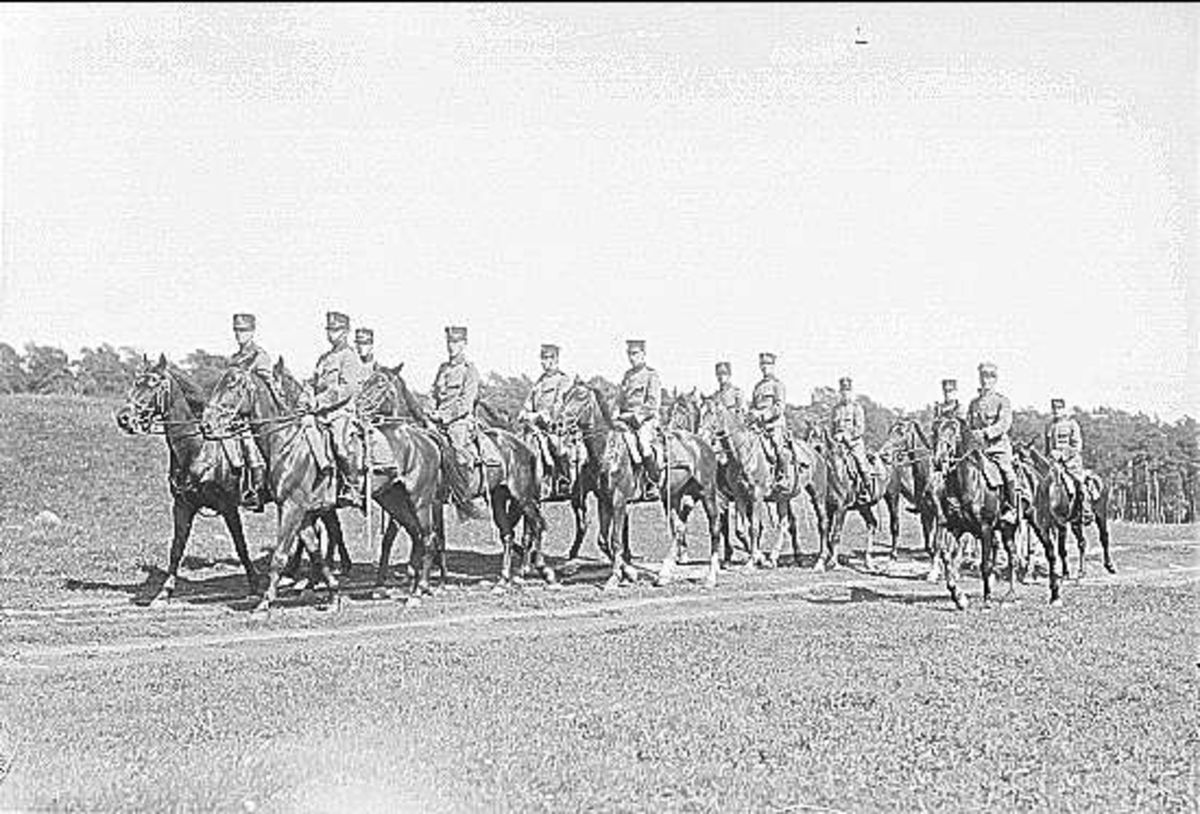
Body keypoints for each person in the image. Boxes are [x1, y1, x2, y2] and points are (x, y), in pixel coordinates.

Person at [309, 311, 366, 509]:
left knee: (339, 443)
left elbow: (347, 389)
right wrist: (305, 399)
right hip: (320, 412)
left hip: (341, 412)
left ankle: (352, 486)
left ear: (346, 332)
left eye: (336, 330)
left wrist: (320, 402)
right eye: (329, 330)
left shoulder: (349, 356)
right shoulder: (324, 358)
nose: (331, 334)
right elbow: (313, 383)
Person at [430, 325, 487, 517]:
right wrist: (429, 410)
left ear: (464, 344)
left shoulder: (469, 370)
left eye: (456, 342)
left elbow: (466, 402)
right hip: (437, 422)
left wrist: (445, 416)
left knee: (458, 453)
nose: (451, 346)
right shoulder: (443, 369)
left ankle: (464, 497)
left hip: (459, 422)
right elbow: (433, 393)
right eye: (449, 342)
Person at [225, 313, 271, 511]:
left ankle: (258, 490)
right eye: (236, 330)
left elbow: (267, 388)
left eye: (243, 330)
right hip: (235, 413)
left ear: (252, 332)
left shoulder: (260, 356)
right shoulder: (235, 358)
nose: (239, 334)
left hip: (256, 415)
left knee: (249, 444)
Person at [966, 362, 1018, 524]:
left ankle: (1011, 507)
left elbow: (1004, 424)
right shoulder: (974, 403)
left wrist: (986, 433)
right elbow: (968, 424)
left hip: (997, 448)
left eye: (989, 377)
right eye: (983, 377)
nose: (986, 381)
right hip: (977, 450)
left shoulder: (1002, 401)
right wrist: (970, 435)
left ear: (995, 380)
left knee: (1006, 470)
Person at [518, 343, 572, 495]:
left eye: (548, 358)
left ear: (556, 360)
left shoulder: (563, 380)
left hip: (554, 427)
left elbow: (559, 405)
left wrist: (543, 415)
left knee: (556, 446)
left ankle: (563, 479)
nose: (544, 362)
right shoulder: (539, 382)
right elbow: (529, 403)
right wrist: (524, 412)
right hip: (535, 427)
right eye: (543, 358)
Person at [616, 339, 662, 498]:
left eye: (635, 353)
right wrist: (618, 414)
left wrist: (639, 416)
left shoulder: (651, 375)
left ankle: (653, 482)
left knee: (643, 444)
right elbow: (621, 400)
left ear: (643, 354)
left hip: (646, 419)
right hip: (627, 419)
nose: (631, 357)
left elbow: (653, 403)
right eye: (629, 354)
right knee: (622, 444)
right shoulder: (627, 376)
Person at [1044, 397, 1094, 524]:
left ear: (1064, 410)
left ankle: (1086, 511)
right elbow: (1047, 448)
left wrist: (1062, 455)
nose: (1056, 411)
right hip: (1054, 464)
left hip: (1071, 464)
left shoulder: (1072, 425)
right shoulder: (1049, 426)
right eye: (1054, 409)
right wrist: (1049, 458)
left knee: (1079, 484)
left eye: (1059, 408)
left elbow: (1077, 446)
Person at [749, 351, 790, 487]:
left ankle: (783, 476)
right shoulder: (758, 386)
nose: (764, 367)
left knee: (777, 446)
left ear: (773, 366)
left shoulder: (778, 385)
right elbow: (753, 405)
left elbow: (779, 407)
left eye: (767, 364)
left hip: (775, 424)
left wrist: (763, 414)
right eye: (762, 365)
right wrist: (751, 413)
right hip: (758, 426)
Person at [831, 376, 870, 501]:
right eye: (842, 391)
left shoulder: (856, 408)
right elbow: (832, 427)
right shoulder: (836, 409)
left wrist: (848, 435)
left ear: (851, 392)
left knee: (860, 463)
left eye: (847, 391)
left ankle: (865, 489)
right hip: (838, 443)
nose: (844, 394)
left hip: (854, 443)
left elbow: (860, 428)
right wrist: (834, 436)